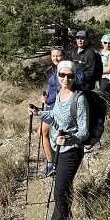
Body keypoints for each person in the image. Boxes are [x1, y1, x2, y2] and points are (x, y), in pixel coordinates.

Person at [29, 60, 87, 220]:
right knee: (63, 188)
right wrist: (38, 113)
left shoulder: (78, 99)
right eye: (62, 75)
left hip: (71, 151)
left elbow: (84, 131)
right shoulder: (61, 96)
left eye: (70, 76)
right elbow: (54, 117)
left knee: (59, 192)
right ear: (58, 75)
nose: (65, 79)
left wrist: (68, 138)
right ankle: (67, 217)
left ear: (74, 77)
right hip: (58, 148)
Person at [37, 47, 63, 178]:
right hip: (51, 106)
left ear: (63, 56)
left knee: (49, 133)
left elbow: (60, 90)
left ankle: (52, 164)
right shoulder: (55, 69)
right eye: (53, 56)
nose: (55, 58)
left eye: (58, 56)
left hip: (56, 107)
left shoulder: (63, 71)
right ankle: (51, 163)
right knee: (42, 132)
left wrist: (46, 99)